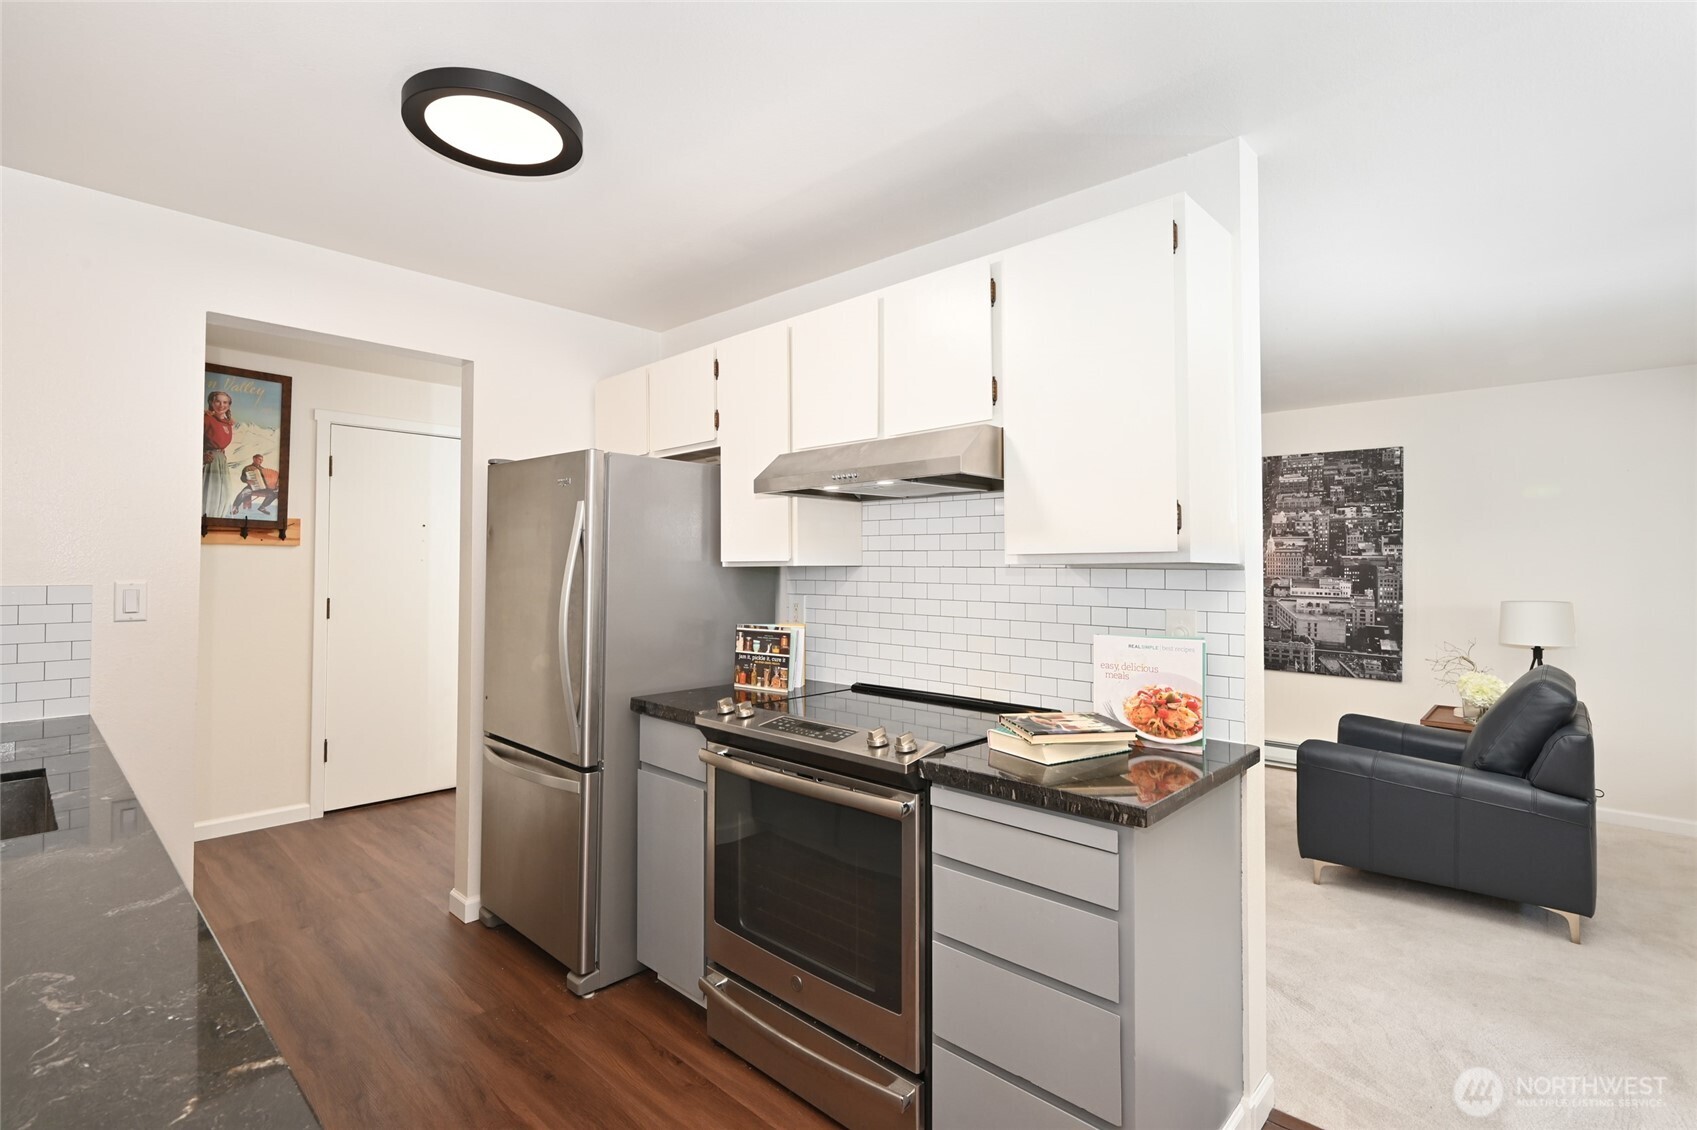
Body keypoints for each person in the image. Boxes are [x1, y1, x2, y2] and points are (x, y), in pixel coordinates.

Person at [203, 390, 234, 517]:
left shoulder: (228, 423)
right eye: (218, 401)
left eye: (225, 402)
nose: (222, 405)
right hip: (209, 460)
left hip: (221, 461)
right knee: (210, 493)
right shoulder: (206, 419)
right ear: (211, 402)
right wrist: (201, 456)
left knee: (224, 494)